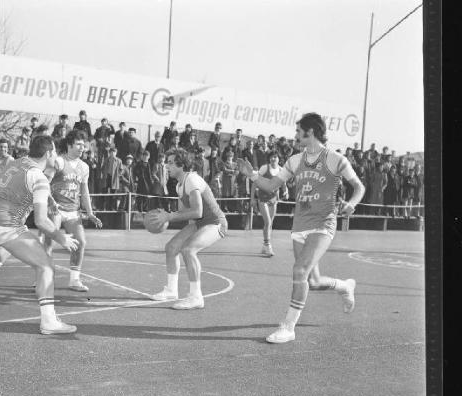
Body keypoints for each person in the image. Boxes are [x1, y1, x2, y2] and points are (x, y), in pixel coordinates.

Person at [237, 112, 364, 344]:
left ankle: (288, 327)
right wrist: (253, 175)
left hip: (323, 223)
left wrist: (351, 204)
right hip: (299, 225)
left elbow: (358, 187)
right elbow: (272, 184)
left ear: (311, 132)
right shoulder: (294, 160)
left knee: (298, 271)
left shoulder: (335, 159)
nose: (296, 136)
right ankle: (345, 285)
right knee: (312, 282)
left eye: (299, 132)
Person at [0, 135, 79, 334]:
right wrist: (61, 238)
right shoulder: (39, 178)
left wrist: (48, 197)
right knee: (46, 266)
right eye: (55, 152)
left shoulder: (16, 162)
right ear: (49, 153)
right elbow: (41, 221)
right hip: (4, 225)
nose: (57, 156)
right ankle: (49, 321)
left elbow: (17, 184)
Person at [148, 148, 228, 310]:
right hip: (199, 223)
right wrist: (167, 218)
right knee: (171, 247)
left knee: (188, 250)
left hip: (216, 222)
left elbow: (197, 211)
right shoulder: (179, 185)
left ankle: (196, 297)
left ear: (181, 165)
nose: (166, 166)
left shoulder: (191, 179)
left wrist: (169, 216)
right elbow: (186, 214)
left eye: (170, 163)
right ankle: (171, 290)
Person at [41, 130, 103, 292]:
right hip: (56, 209)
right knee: (48, 242)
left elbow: (85, 191)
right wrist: (50, 201)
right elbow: (44, 183)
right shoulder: (59, 162)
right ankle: (42, 277)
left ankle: (74, 280)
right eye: (78, 144)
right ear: (69, 145)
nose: (82, 148)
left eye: (84, 145)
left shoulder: (84, 167)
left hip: (73, 212)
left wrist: (89, 213)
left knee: (81, 242)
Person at [253, 151, 289, 257]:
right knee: (268, 222)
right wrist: (252, 199)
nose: (273, 159)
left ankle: (265, 245)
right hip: (263, 197)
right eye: (271, 157)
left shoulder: (281, 170)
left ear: (278, 159)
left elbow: (283, 184)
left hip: (273, 199)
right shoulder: (264, 168)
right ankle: (268, 246)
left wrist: (286, 191)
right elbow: (255, 181)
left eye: (275, 157)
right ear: (269, 159)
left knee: (269, 224)